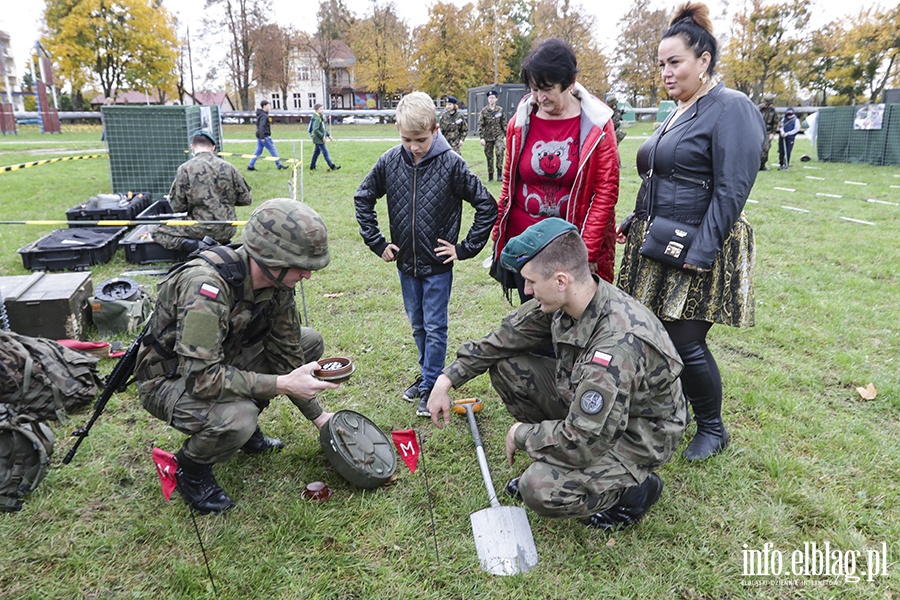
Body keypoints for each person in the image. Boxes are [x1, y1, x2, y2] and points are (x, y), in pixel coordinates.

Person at [427, 218, 687, 530]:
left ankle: (635, 491)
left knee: (539, 488)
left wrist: (521, 434)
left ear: (561, 280)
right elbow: (503, 340)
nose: (526, 290)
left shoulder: (615, 347)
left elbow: (583, 440)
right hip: (599, 411)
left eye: (531, 282)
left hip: (639, 435)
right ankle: (557, 456)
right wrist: (446, 379)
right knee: (510, 369)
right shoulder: (570, 300)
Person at [615, 2, 764, 462]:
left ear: (704, 60)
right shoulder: (679, 110)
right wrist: (634, 219)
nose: (666, 71)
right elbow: (661, 175)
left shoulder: (731, 108)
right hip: (660, 239)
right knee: (654, 332)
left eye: (675, 61)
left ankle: (713, 428)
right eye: (661, 64)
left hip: (700, 243)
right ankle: (666, 408)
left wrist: (701, 252)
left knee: (684, 339)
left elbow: (731, 188)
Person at [135, 198, 339, 514]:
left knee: (308, 342)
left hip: (220, 363)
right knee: (237, 418)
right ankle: (191, 467)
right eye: (301, 266)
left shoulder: (277, 284)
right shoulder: (206, 288)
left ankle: (247, 433)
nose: (307, 276)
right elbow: (202, 380)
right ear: (272, 258)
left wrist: (319, 417)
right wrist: (282, 384)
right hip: (170, 379)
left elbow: (287, 353)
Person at [354, 91, 497, 418]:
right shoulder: (390, 160)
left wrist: (463, 248)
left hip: (437, 266)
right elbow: (363, 198)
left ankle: (432, 383)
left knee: (434, 326)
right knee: (418, 325)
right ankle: (427, 376)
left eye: (420, 139)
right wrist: (377, 242)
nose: (414, 146)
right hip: (406, 264)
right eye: (407, 139)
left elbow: (487, 206)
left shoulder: (452, 164)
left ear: (435, 129)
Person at [491, 38, 620, 303]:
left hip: (567, 250)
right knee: (532, 328)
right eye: (534, 88)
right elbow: (508, 183)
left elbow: (605, 192)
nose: (539, 97)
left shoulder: (597, 125)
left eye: (547, 89)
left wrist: (586, 254)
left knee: (571, 330)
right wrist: (498, 233)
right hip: (525, 245)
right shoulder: (522, 119)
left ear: (570, 82)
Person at [153, 129, 252, 253]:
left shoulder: (185, 169)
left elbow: (177, 207)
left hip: (200, 228)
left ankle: (199, 246)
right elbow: (246, 199)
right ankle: (218, 244)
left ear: (192, 147)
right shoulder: (229, 167)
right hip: (228, 228)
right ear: (213, 148)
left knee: (157, 230)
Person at [248, 100, 289, 171]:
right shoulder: (264, 115)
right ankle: (279, 165)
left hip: (260, 136)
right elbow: (261, 126)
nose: (269, 107)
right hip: (264, 136)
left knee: (258, 151)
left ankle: (250, 166)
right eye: (268, 105)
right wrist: (263, 137)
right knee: (273, 149)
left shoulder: (261, 114)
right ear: (264, 106)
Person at [478, 89, 506, 182]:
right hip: (487, 136)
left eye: (493, 98)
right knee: (489, 156)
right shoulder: (484, 111)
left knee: (500, 151)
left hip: (499, 135)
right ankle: (490, 175)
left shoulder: (500, 110)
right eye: (489, 98)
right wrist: (481, 137)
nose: (491, 99)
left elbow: (504, 123)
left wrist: (507, 135)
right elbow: (480, 124)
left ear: (496, 99)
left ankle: (499, 174)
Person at [309, 103, 340, 171]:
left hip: (319, 138)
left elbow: (323, 128)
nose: (322, 110)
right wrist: (322, 137)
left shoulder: (320, 117)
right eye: (321, 109)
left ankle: (312, 166)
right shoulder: (317, 118)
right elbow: (316, 129)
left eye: (323, 108)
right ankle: (332, 166)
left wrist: (329, 135)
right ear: (317, 110)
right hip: (318, 139)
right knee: (325, 152)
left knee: (316, 153)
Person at [758, 92, 778, 170]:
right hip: (758, 130)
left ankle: (762, 165)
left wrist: (773, 133)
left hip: (767, 131)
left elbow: (775, 123)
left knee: (766, 148)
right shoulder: (758, 109)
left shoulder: (773, 111)